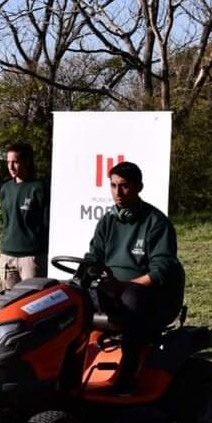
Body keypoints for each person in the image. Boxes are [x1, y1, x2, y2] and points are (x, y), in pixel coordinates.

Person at [85, 161, 184, 394]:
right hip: (113, 287)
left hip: (145, 294)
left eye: (124, 186)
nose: (117, 193)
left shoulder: (156, 223)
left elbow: (161, 270)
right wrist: (91, 274)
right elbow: (93, 256)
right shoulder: (107, 221)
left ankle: (128, 376)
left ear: (139, 187)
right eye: (113, 186)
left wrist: (123, 286)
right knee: (72, 297)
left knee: (131, 299)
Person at [0, 142, 48, 290]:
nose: (11, 167)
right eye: (8, 162)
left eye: (15, 162)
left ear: (26, 162)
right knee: (8, 302)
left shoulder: (39, 188)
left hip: (31, 257)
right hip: (7, 255)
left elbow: (46, 222)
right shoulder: (5, 188)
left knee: (31, 301)